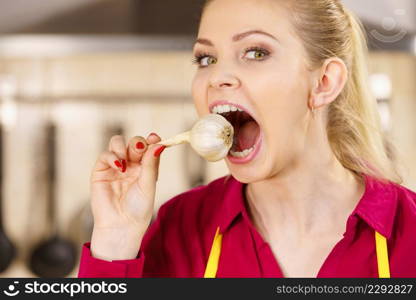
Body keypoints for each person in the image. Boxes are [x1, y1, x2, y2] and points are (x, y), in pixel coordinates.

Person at [77, 0, 416, 278]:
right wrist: (115, 241)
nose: (217, 77)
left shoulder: (409, 232)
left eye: (256, 52)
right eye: (206, 59)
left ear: (325, 82)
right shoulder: (183, 226)